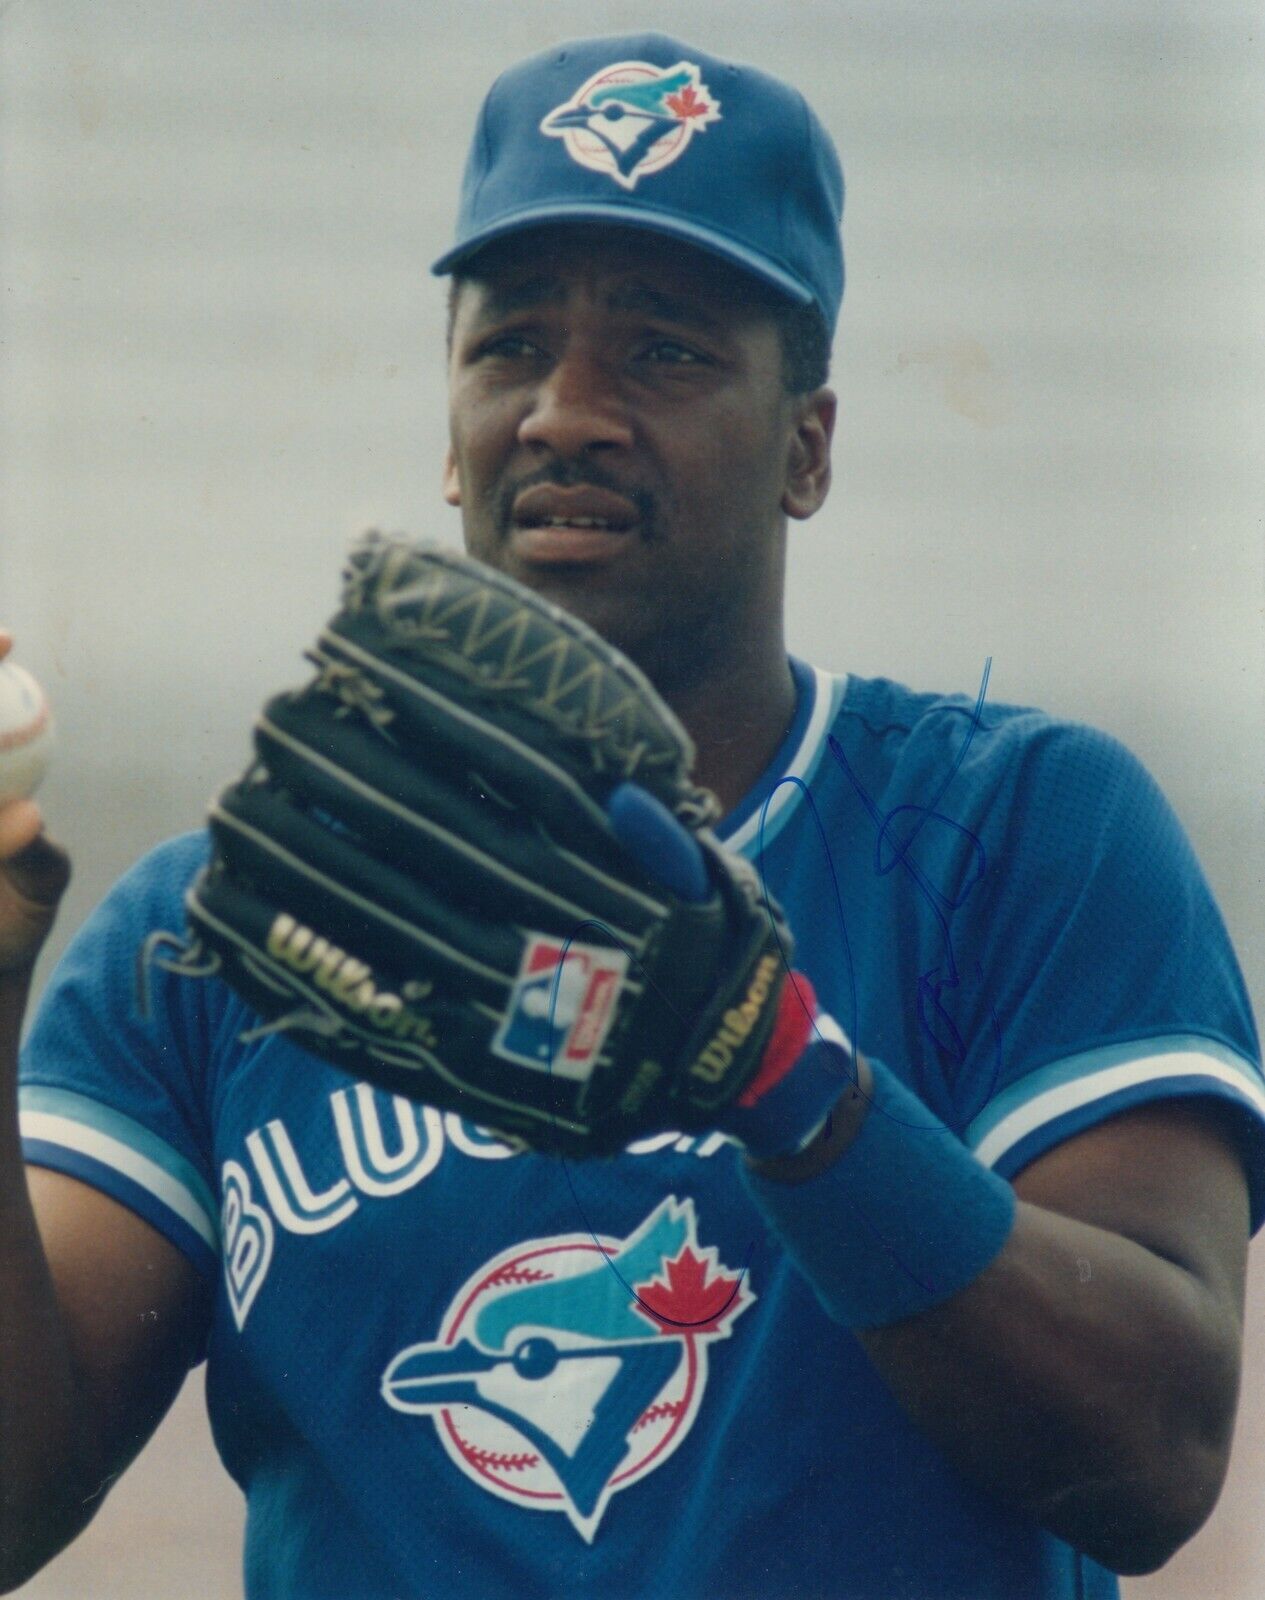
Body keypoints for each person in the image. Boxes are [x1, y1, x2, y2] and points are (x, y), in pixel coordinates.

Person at [1, 31, 1261, 1600]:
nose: (565, 411)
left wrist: (784, 1079)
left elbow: (1151, 1463)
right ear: (447, 422)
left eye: (663, 351)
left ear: (807, 445)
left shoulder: (1018, 834)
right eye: (510, 344)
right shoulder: (221, 930)